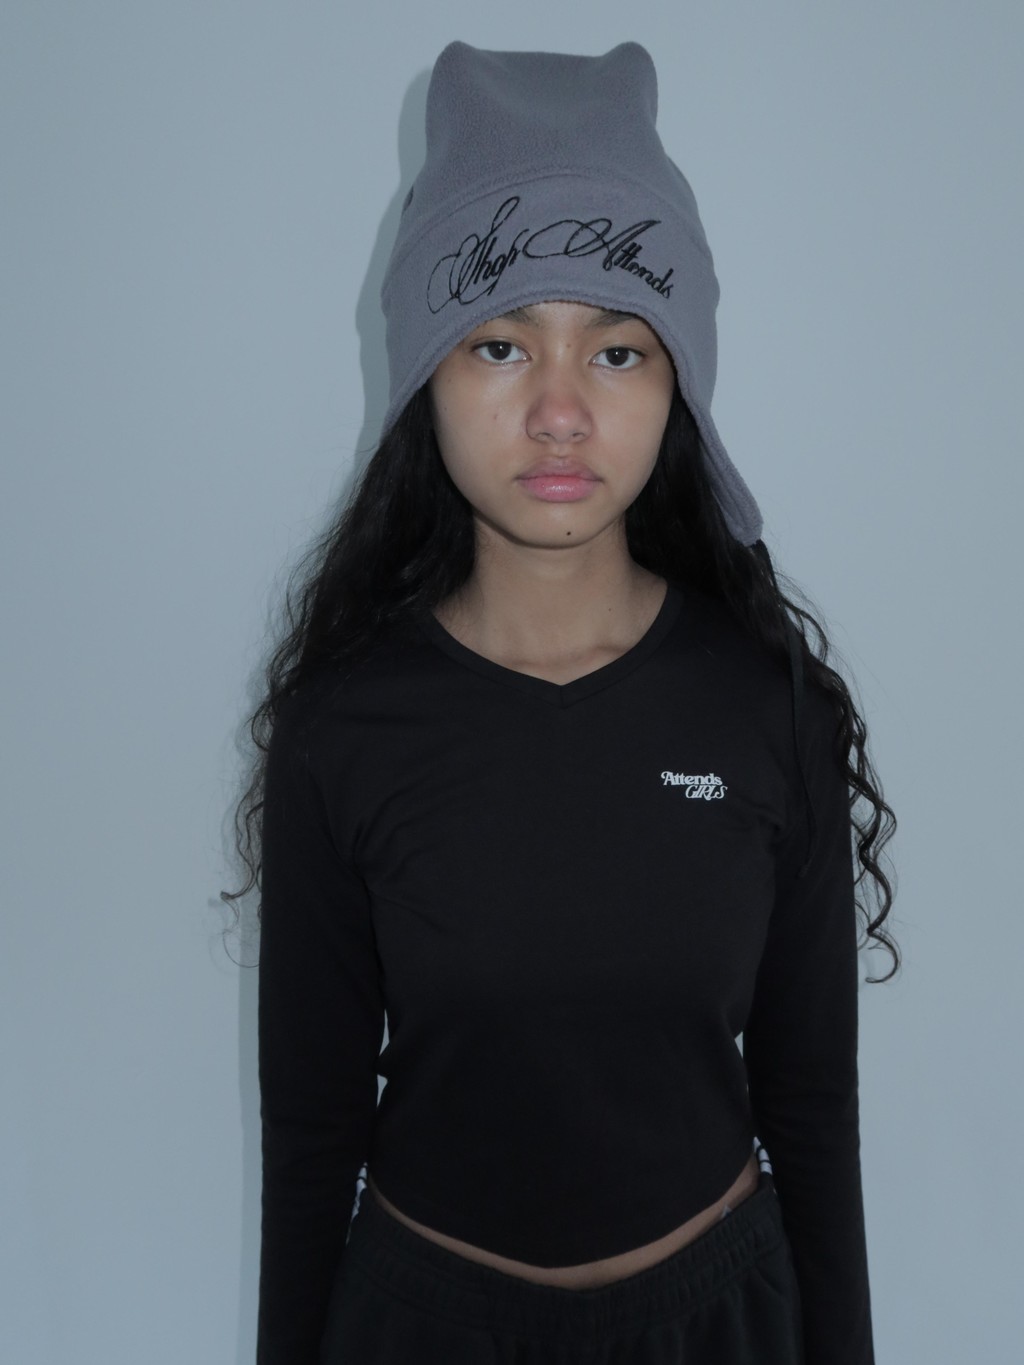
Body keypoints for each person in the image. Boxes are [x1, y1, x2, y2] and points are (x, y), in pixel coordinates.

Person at [226, 40, 898, 1365]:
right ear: (424, 368)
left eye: (618, 349)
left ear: (680, 379)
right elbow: (310, 1134)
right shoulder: (340, 731)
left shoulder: (773, 713)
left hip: (717, 1325)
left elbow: (814, 1112)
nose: (557, 411)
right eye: (499, 342)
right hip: (420, 1329)